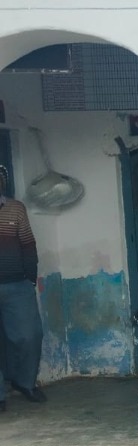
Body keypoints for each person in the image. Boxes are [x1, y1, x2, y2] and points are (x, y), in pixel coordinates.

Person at [0, 164, 46, 410]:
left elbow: (28, 244)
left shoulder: (16, 209)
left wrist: (30, 277)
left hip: (17, 284)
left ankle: (24, 382)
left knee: (30, 335)